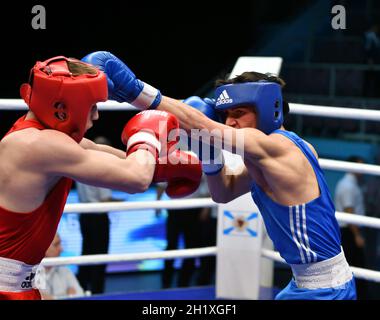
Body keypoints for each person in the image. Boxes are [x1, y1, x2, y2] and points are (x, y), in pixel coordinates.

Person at [83, 51, 357, 300]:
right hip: (305, 284)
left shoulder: (278, 147)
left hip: (325, 290)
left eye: (239, 113)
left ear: (267, 109)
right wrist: (210, 156)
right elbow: (223, 192)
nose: (230, 122)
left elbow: (203, 123)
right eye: (226, 115)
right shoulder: (267, 157)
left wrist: (136, 91)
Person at [0, 56, 202, 300]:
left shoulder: (36, 134)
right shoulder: (38, 145)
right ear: (62, 110)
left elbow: (98, 152)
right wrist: (147, 136)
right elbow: (134, 178)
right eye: (91, 106)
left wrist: (166, 167)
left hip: (18, 283)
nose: (96, 116)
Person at [76, 136, 121, 294]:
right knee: (99, 257)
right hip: (98, 218)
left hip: (85, 216)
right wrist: (122, 202)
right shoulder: (102, 167)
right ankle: (97, 293)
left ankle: (80, 289)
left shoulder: (80, 164)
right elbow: (105, 199)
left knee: (86, 253)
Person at [156, 174, 210, 288]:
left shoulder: (202, 157)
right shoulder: (171, 157)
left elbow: (208, 183)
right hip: (174, 209)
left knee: (191, 247)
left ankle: (183, 284)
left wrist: (206, 208)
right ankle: (166, 283)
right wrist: (157, 203)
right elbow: (162, 183)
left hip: (194, 209)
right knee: (171, 246)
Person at [334, 156, 368, 299]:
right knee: (351, 267)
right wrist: (357, 235)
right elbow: (349, 210)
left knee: (354, 267)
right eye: (361, 166)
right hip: (348, 231)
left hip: (349, 230)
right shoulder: (347, 185)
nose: (363, 170)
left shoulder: (350, 184)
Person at [39, 233, 84, 300]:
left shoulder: (65, 270)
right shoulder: (28, 273)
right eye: (56, 245)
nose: (61, 249)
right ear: (43, 247)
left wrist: (50, 298)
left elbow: (80, 295)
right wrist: (67, 296)